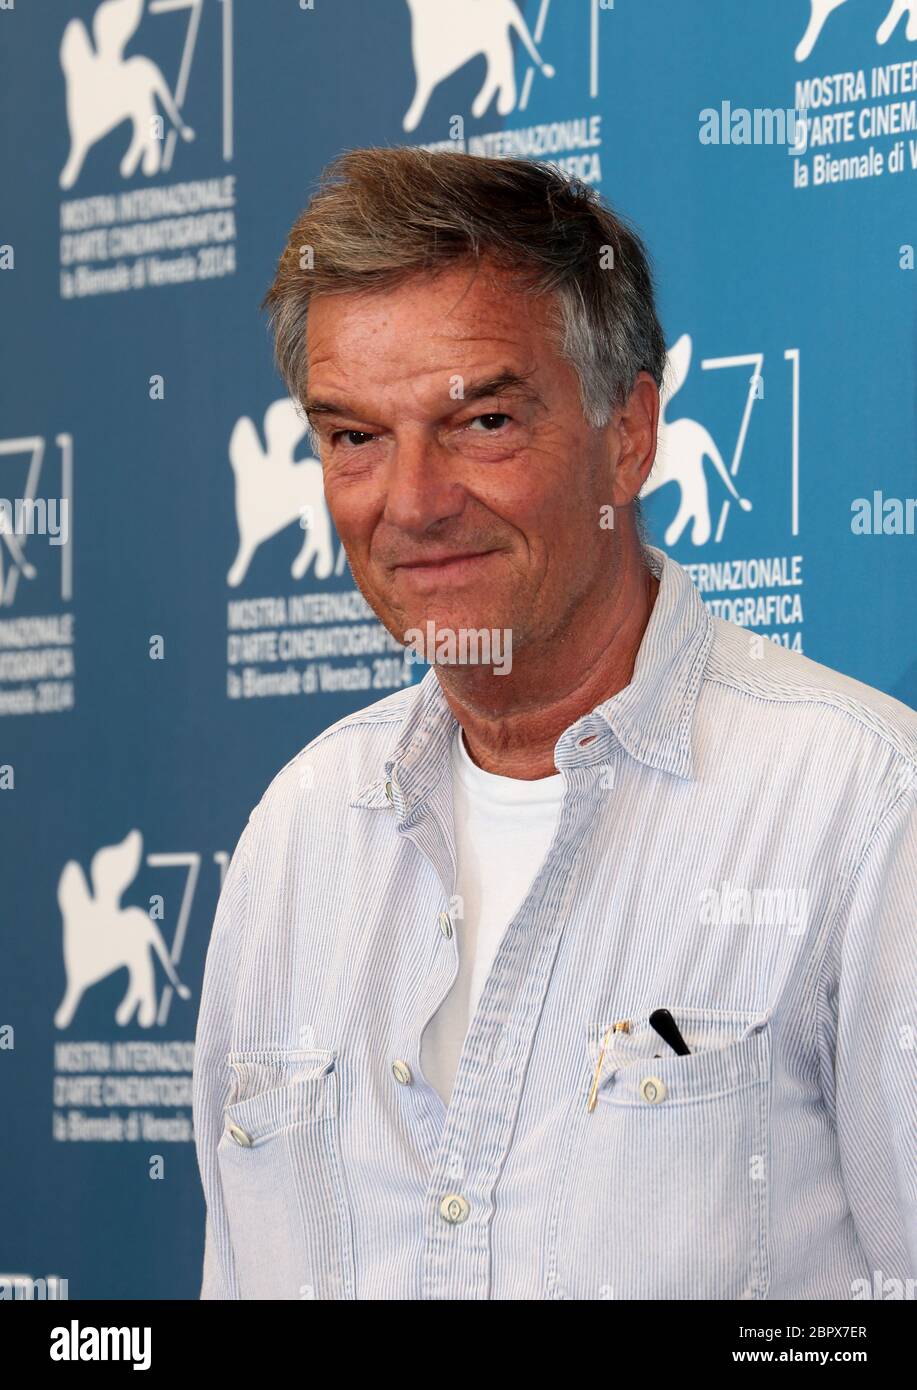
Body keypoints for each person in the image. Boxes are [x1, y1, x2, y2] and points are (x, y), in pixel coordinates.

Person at [192, 147, 916, 1300]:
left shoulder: (864, 809)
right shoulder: (298, 834)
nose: (413, 504)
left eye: (481, 421)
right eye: (353, 438)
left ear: (626, 436)